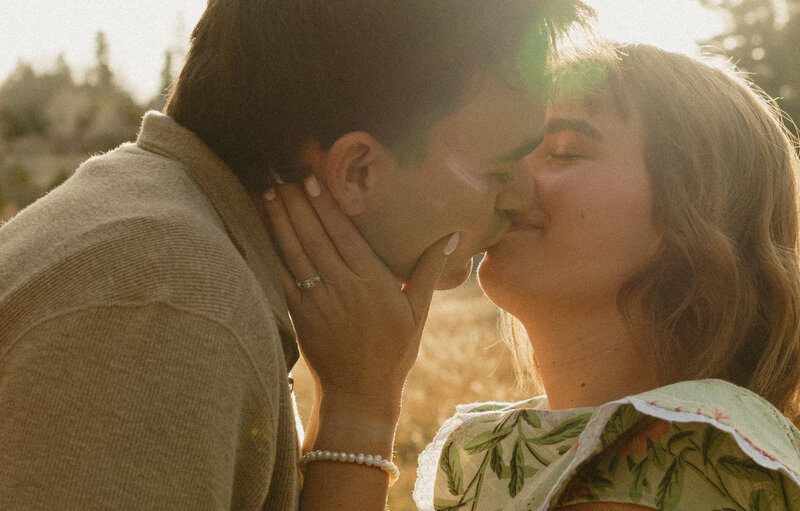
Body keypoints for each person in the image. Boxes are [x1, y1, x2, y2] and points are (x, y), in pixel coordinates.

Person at [0, 1, 591, 509]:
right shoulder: (171, 307)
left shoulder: (173, 248)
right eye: (497, 170)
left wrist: (360, 406)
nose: (521, 197)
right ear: (358, 171)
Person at [264, 43, 800, 510]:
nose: (509, 182)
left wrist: (362, 403)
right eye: (511, 151)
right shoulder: (498, 446)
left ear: (698, 216)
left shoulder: (690, 451)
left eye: (564, 152)